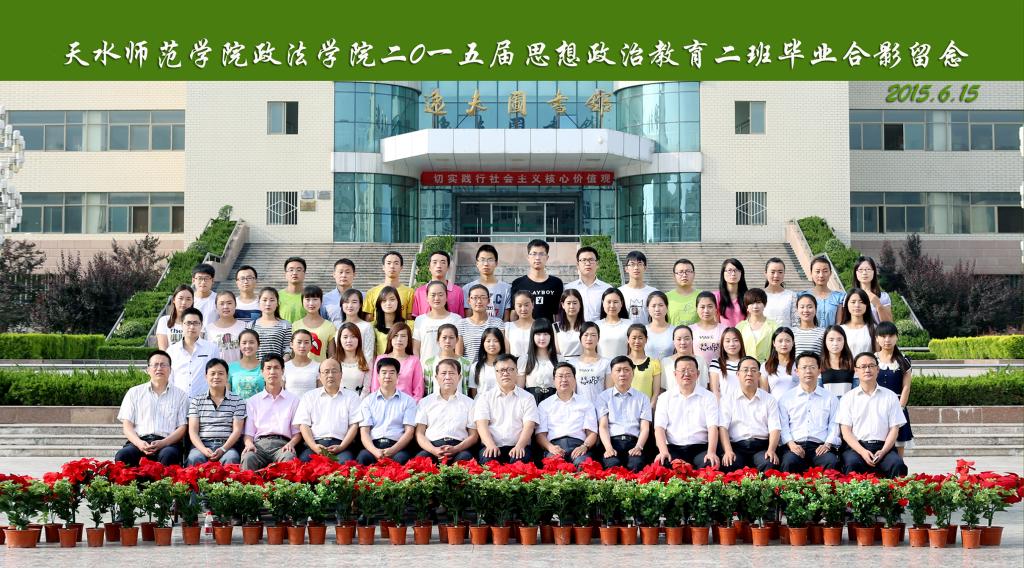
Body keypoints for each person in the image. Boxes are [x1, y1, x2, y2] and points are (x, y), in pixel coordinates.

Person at [837, 352, 908, 478]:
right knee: (852, 464)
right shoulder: (848, 398)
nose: (867, 370)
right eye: (863, 366)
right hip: (856, 447)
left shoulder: (890, 396)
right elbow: (846, 432)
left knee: (897, 464)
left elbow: (894, 429)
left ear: (878, 369)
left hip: (884, 447)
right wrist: (863, 452)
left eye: (871, 366)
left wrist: (883, 451)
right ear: (856, 371)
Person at [115, 350, 189, 467]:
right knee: (123, 455)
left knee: (169, 455)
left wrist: (163, 443)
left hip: (168, 443)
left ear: (170, 370)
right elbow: (127, 426)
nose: (159, 368)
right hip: (139, 442)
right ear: (148, 369)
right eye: (155, 365)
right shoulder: (134, 393)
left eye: (163, 365)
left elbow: (182, 427)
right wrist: (140, 443)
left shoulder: (181, 395)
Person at [777, 352, 841, 473]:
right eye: (804, 367)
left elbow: (834, 424)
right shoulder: (786, 398)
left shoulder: (830, 398)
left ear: (819, 370)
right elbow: (783, 426)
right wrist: (791, 444)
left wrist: (827, 444)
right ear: (797, 371)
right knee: (789, 462)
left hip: (820, 446)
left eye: (812, 367)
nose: (808, 371)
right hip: (794, 445)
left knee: (831, 461)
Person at [653, 356, 720, 469]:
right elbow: (659, 428)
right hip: (674, 448)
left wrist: (711, 452)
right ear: (675, 374)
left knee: (710, 464)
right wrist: (663, 451)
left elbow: (713, 427)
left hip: (700, 448)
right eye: (682, 370)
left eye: (691, 370)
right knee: (664, 463)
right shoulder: (664, 398)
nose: (686, 374)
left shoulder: (709, 397)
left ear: (698, 374)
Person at [717, 357, 782, 472]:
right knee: (729, 463)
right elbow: (723, 428)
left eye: (753, 370)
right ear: (738, 374)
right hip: (736, 446)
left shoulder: (769, 399)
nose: (749, 374)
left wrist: (771, 450)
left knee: (769, 462)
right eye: (745, 370)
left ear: (759, 375)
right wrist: (728, 451)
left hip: (761, 447)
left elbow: (774, 428)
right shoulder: (727, 399)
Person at [473, 354, 540, 464]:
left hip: (519, 446)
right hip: (492, 445)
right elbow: (481, 425)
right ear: (495, 373)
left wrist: (519, 446)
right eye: (501, 370)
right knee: (489, 461)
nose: (505, 373)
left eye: (510, 369)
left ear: (517, 371)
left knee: (520, 462)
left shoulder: (528, 397)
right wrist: (490, 445)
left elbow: (529, 426)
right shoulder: (485, 397)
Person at [293, 358, 363, 463]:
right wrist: (314, 446)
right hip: (315, 445)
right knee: (304, 463)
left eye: (334, 371)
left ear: (341, 374)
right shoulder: (309, 396)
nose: (330, 375)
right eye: (326, 372)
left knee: (345, 464)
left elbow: (354, 425)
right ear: (320, 376)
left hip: (342, 446)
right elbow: (304, 425)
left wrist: (342, 446)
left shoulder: (352, 397)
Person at [240, 354, 302, 471]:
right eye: (268, 368)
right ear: (262, 372)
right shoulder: (253, 401)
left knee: (289, 457)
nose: (272, 372)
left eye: (276, 367)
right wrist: (249, 444)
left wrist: (291, 444)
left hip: (283, 445)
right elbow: (248, 434)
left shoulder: (293, 400)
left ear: (283, 371)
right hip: (259, 445)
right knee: (248, 457)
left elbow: (297, 433)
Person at [415, 358, 479, 463]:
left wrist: (456, 449)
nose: (447, 377)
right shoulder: (425, 402)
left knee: (465, 459)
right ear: (436, 377)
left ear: (459, 377)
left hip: (459, 447)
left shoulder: (469, 403)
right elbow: (419, 433)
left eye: (452, 373)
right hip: (432, 447)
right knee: (420, 460)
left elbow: (474, 435)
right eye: (443, 373)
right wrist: (433, 450)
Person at [356, 357, 418, 465]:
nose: (387, 376)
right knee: (363, 457)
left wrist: (393, 450)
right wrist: (375, 451)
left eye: (392, 373)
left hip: (397, 446)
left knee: (402, 459)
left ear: (398, 376)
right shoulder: (368, 401)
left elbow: (409, 432)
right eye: (384, 373)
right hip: (374, 446)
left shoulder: (408, 401)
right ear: (378, 376)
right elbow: (364, 432)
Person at [535, 362, 599, 467]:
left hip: (579, 446)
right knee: (553, 465)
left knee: (583, 465)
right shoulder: (544, 405)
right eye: (560, 376)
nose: (564, 379)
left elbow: (592, 433)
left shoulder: (586, 403)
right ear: (554, 380)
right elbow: (540, 434)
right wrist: (550, 447)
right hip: (554, 446)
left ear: (574, 379)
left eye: (568, 376)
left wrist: (584, 446)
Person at [596, 356, 652, 472]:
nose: (622, 374)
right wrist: (608, 448)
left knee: (636, 465)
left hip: (634, 442)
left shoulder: (643, 398)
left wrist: (638, 447)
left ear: (633, 373)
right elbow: (603, 426)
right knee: (612, 465)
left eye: (626, 370)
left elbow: (645, 428)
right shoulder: (603, 397)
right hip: (612, 442)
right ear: (612, 374)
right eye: (618, 370)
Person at [186, 358, 246, 466]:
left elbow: (237, 430)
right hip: (201, 445)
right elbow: (193, 431)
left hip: (227, 446)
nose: (216, 377)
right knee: (194, 458)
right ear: (206, 376)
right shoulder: (196, 401)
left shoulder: (238, 401)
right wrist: (203, 449)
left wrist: (223, 449)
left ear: (227, 376)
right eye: (212, 373)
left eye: (221, 373)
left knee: (231, 458)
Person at [874, 321, 914, 456]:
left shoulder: (904, 360)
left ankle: (899, 469)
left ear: (896, 337)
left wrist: (899, 409)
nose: (887, 340)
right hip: (875, 406)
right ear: (877, 338)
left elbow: (906, 387)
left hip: (897, 406)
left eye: (891, 336)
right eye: (883, 336)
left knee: (898, 446)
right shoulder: (872, 359)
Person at [168, 308, 220, 398]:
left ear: (201, 325)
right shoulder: (172, 350)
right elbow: (169, 379)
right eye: (188, 323)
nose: (192, 327)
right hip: (179, 400)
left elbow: (216, 376)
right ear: (182, 324)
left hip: (204, 401)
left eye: (196, 323)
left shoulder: (212, 348)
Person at [509, 239, 564, 322]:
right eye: (534, 254)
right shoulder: (518, 283)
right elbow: (514, 312)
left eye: (541, 254)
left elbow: (558, 313)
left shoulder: (556, 283)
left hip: (548, 329)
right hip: (524, 329)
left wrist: (557, 330)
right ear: (528, 257)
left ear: (547, 257)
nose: (537, 258)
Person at [370, 323, 424, 400]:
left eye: (403, 336)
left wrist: (412, 405)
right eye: (395, 336)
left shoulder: (414, 361)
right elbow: (375, 387)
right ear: (390, 338)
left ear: (408, 340)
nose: (399, 339)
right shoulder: (380, 359)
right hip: (383, 403)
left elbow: (418, 390)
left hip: (407, 404)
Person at [412, 280, 464, 360]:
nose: (437, 298)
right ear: (427, 298)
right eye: (433, 295)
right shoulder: (420, 320)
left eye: (440, 295)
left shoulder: (456, 319)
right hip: (425, 367)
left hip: (449, 366)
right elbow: (416, 349)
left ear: (446, 297)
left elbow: (458, 351)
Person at [462, 244, 512, 320]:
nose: (486, 264)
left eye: (490, 260)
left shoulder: (506, 289)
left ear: (496, 263)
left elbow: (506, 320)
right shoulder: (467, 288)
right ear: (477, 263)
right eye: (482, 260)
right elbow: (468, 318)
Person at [458, 284, 504, 366]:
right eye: (475, 298)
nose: (479, 301)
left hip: (492, 369)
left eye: (483, 297)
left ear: (488, 301)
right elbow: (459, 355)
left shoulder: (498, 323)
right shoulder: (461, 324)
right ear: (469, 301)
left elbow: (502, 351)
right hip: (469, 370)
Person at [363, 251, 415, 321]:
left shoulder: (410, 292)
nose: (392, 266)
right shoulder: (371, 292)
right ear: (383, 267)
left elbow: (409, 318)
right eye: (388, 263)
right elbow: (368, 319)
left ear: (401, 267)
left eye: (396, 263)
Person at [422, 324, 471, 398]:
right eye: (444, 337)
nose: (448, 341)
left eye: (451, 338)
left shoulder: (466, 363)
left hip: (460, 403)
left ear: (457, 340)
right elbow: (427, 388)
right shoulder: (429, 363)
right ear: (438, 340)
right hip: (436, 403)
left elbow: (467, 387)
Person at [567, 321, 611, 404]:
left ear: (598, 338)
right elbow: (571, 393)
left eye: (593, 335)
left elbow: (609, 392)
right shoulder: (573, 364)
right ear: (580, 338)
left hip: (600, 408)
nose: (589, 338)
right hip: (580, 408)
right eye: (586, 335)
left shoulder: (606, 363)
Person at [564, 246, 612, 323]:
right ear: (577, 265)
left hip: (600, 329)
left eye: (591, 260)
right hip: (575, 329)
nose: (587, 263)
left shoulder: (607, 289)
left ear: (597, 264)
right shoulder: (568, 288)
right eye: (583, 260)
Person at [412, 250, 465, 317]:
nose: (438, 266)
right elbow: (415, 318)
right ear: (429, 267)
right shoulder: (420, 292)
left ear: (448, 267)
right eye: (435, 262)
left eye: (443, 262)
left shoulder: (458, 291)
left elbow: (461, 317)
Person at [518, 318, 559, 404]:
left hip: (554, 403)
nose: (542, 338)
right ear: (532, 336)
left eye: (546, 334)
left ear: (551, 336)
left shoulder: (559, 359)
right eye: (538, 334)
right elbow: (519, 389)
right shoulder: (525, 359)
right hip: (531, 403)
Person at [292, 286, 337, 363]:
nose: (311, 303)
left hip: (321, 368)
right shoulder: (295, 326)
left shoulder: (330, 326)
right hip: (299, 368)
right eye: (307, 299)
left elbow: (331, 355)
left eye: (315, 299)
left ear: (321, 301)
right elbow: (293, 353)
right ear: (302, 302)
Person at [661, 325, 711, 390]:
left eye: (687, 339)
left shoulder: (700, 361)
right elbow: (662, 389)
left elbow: (705, 387)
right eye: (679, 339)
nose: (683, 342)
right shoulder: (666, 362)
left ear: (692, 340)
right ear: (673, 341)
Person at [800, 256, 845, 329]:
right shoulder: (802, 296)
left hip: (832, 335)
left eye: (825, 271)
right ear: (811, 273)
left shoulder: (839, 297)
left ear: (830, 273)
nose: (821, 275)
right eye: (817, 271)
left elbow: (839, 323)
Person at [248, 287, 292, 360]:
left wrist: (281, 363)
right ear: (259, 303)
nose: (268, 304)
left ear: (277, 303)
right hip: (256, 366)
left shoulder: (286, 325)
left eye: (272, 300)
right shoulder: (251, 325)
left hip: (277, 366)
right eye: (264, 300)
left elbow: (288, 349)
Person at [625, 324, 663, 406]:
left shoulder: (654, 363)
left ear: (646, 339)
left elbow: (656, 393)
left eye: (640, 338)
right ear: (628, 339)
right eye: (634, 338)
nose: (637, 341)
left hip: (646, 409)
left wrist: (649, 409)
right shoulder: (621, 362)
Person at [735, 288, 778, 362]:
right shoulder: (740, 327)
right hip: (745, 365)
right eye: (751, 303)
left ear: (765, 304)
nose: (755, 306)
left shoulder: (774, 326)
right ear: (747, 307)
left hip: (768, 366)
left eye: (758, 302)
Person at [205, 291, 246, 363]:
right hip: (217, 369)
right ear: (216, 306)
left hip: (238, 369)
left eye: (229, 303)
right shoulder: (209, 329)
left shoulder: (244, 326)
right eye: (222, 304)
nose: (226, 307)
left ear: (235, 305)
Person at [619, 251, 659, 324]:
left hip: (647, 330)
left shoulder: (653, 293)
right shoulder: (620, 292)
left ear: (645, 268)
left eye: (640, 264)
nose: (636, 268)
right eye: (632, 264)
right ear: (626, 269)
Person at [333, 322, 372, 396]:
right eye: (345, 337)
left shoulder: (366, 360)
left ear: (359, 339)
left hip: (360, 401)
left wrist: (358, 401)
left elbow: (366, 388)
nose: (349, 340)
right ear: (339, 339)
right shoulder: (333, 361)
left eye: (353, 336)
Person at [760, 327, 799, 400]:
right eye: (780, 341)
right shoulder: (766, 366)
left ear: (793, 343)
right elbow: (764, 393)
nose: (784, 344)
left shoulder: (799, 364)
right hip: (774, 405)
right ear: (774, 343)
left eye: (787, 341)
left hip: (795, 405)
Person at [372, 286, 412, 355]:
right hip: (380, 361)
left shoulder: (410, 325)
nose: (388, 303)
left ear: (398, 302)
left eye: (392, 299)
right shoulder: (372, 326)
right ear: (379, 303)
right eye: (384, 300)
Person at [339, 289, 376, 364]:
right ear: (341, 304)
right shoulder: (338, 326)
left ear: (360, 305)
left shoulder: (366, 327)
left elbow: (368, 356)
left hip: (361, 368)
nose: (350, 305)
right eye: (346, 302)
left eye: (354, 302)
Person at [839, 288, 877, 359]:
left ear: (867, 305)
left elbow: (878, 354)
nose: (857, 305)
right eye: (853, 302)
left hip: (867, 365)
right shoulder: (840, 329)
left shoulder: (874, 328)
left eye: (861, 302)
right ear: (847, 304)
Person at [852, 256, 893, 323]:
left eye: (868, 269)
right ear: (856, 273)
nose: (864, 273)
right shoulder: (850, 297)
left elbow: (889, 324)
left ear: (873, 272)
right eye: (861, 270)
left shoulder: (883, 297)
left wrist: (878, 305)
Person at [709, 327, 746, 399]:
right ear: (722, 344)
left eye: (735, 340)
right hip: (724, 404)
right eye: (727, 341)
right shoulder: (716, 363)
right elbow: (715, 391)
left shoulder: (748, 362)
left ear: (741, 342)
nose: (732, 344)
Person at [692, 291, 727, 366]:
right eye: (702, 307)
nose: (706, 311)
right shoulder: (690, 330)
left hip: (719, 371)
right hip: (697, 371)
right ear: (696, 309)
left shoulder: (724, 330)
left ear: (716, 308)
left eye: (710, 306)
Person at [470, 328, 506, 398]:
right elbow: (474, 393)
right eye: (488, 341)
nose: (492, 344)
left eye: (496, 341)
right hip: (481, 403)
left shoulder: (507, 365)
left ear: (501, 343)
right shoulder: (475, 366)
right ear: (483, 344)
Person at [228, 329, 264, 399]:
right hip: (236, 406)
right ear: (239, 345)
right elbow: (227, 394)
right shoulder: (230, 367)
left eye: (251, 342)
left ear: (258, 345)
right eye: (244, 343)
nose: (247, 346)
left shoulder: (265, 367)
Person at [713, 258, 748, 327]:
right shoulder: (716, 296)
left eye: (736, 270)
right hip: (723, 333)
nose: (733, 274)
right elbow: (715, 322)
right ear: (723, 273)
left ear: (741, 273)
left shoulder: (747, 297)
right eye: (729, 270)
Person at [284, 329, 320, 397]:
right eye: (299, 342)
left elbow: (320, 393)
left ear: (311, 346)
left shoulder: (318, 367)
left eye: (306, 342)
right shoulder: (284, 367)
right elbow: (280, 393)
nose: (302, 346)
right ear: (291, 344)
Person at [156, 284, 194, 350]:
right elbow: (163, 349)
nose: (184, 302)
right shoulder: (164, 321)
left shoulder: (196, 322)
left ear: (192, 301)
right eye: (181, 298)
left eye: (188, 299)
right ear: (174, 300)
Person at [821, 325, 855, 397]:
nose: (835, 343)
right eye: (831, 340)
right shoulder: (819, 364)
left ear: (844, 341)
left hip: (848, 403)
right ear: (825, 341)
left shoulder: (852, 363)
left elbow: (856, 389)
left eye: (839, 340)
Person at [596, 287, 631, 358]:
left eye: (615, 302)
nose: (612, 306)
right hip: (601, 364)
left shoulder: (629, 324)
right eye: (609, 302)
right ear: (603, 303)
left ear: (621, 303)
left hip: (623, 364)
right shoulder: (596, 325)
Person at [762, 258, 797, 328]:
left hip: (785, 334)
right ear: (765, 273)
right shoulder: (759, 295)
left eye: (780, 272)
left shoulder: (791, 295)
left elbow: (796, 322)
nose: (776, 275)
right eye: (772, 272)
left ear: (784, 274)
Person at [323, 258, 357, 326]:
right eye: (340, 272)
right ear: (334, 274)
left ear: (354, 275)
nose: (343, 275)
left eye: (347, 272)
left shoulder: (363, 297)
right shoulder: (325, 299)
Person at [667, 258, 701, 326]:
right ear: (674, 275)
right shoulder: (666, 297)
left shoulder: (702, 296)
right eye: (680, 272)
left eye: (688, 271)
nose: (684, 275)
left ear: (694, 274)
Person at [554, 289, 584, 357]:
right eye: (568, 303)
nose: (572, 306)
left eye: (575, 303)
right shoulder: (555, 327)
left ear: (580, 304)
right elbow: (557, 352)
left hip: (582, 362)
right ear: (563, 305)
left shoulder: (586, 326)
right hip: (562, 362)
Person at [504, 290, 535, 358]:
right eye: (519, 305)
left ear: (533, 305)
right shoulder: (508, 327)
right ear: (514, 306)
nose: (523, 309)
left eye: (526, 305)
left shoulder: (539, 326)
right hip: (514, 363)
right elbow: (507, 353)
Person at [278, 257, 309, 323]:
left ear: (304, 274)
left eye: (299, 270)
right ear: (285, 274)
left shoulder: (310, 296)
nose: (294, 273)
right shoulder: (277, 296)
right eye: (291, 270)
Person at [645, 291, 674, 359]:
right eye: (653, 306)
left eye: (661, 305)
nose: (657, 309)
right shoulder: (643, 331)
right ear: (648, 308)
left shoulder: (674, 331)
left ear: (667, 307)